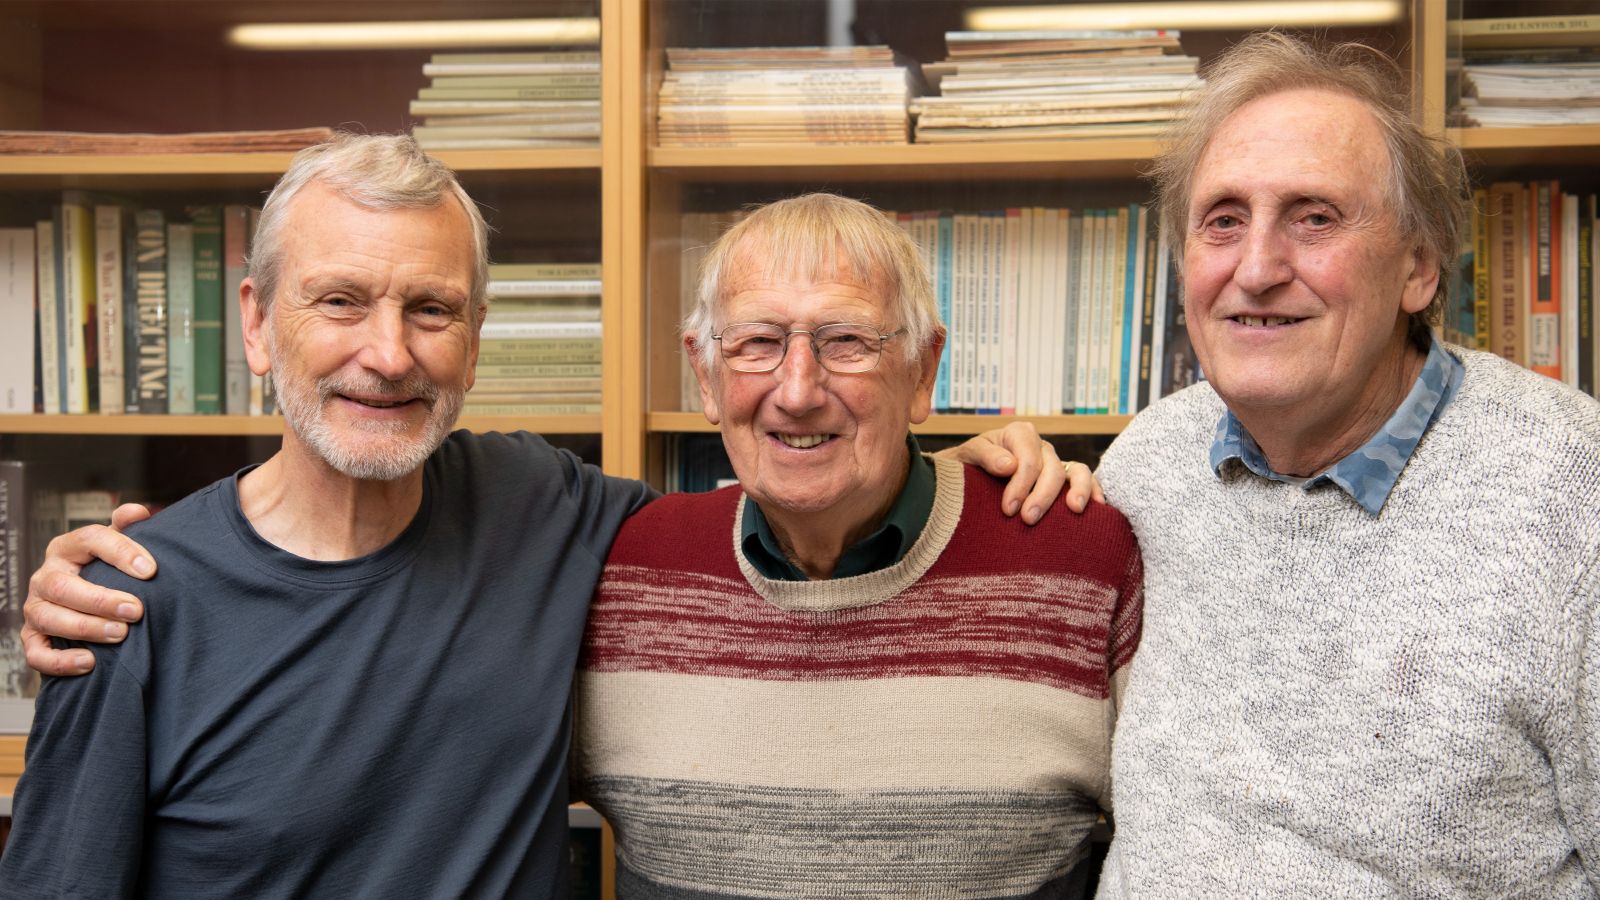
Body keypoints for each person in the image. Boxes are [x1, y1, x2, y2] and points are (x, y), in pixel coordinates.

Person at [1, 137, 1073, 897]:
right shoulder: (124, 604)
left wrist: (950, 471)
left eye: (432, 310)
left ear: (474, 338)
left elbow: (788, 482)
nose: (388, 354)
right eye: (339, 302)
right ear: (255, 319)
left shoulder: (547, 510)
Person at [1091, 33, 1599, 895]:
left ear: (1418, 266)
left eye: (1314, 217)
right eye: (1223, 221)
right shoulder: (1146, 465)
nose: (1255, 269)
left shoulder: (1573, 496)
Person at [573, 193, 1142, 897]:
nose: (799, 389)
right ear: (705, 374)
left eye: (846, 341)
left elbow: (1192, 846)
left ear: (923, 370)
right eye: (756, 342)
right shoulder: (621, 572)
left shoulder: (1082, 561)